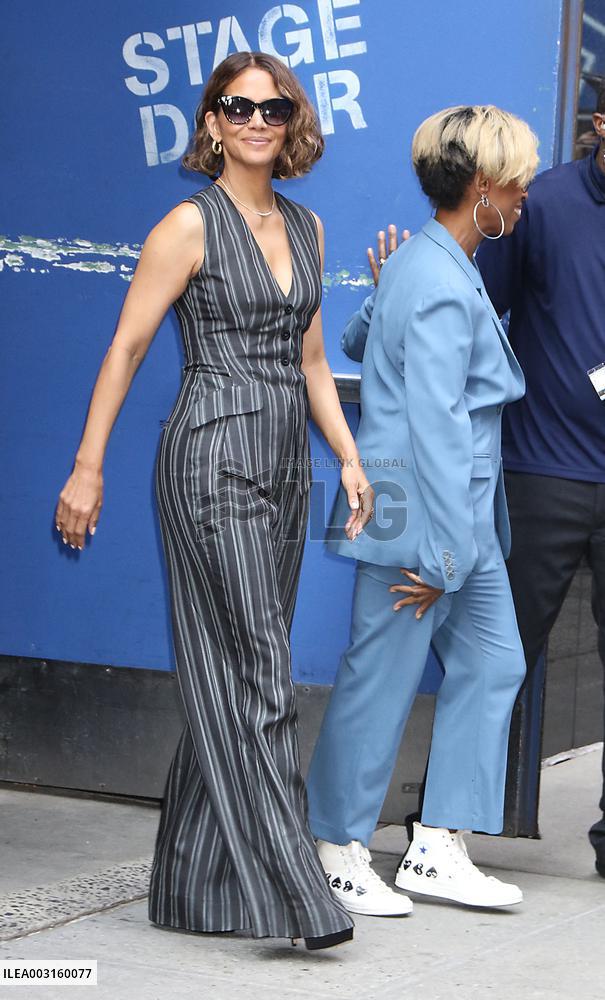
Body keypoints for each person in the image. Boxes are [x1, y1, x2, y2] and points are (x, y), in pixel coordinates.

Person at [54, 51, 374, 949]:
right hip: (208, 457)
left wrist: (347, 458)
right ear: (211, 122)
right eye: (238, 108)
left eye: (273, 110)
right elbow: (124, 349)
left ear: (292, 122)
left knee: (230, 660)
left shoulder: (307, 228)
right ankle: (296, 895)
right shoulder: (185, 227)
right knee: (262, 671)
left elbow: (312, 364)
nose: (256, 123)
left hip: (281, 464)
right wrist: (89, 467)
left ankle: (191, 888)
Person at [306, 105, 539, 916]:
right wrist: (444, 556)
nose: (522, 199)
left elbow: (365, 345)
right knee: (382, 674)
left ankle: (437, 845)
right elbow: (437, 424)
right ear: (480, 188)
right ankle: (334, 848)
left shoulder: (423, 262)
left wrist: (381, 295)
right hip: (426, 516)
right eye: (515, 184)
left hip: (449, 516)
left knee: (494, 659)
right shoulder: (437, 275)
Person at [476, 82, 605, 879]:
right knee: (497, 653)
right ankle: (445, 822)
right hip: (544, 469)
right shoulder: (544, 203)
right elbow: (481, 314)